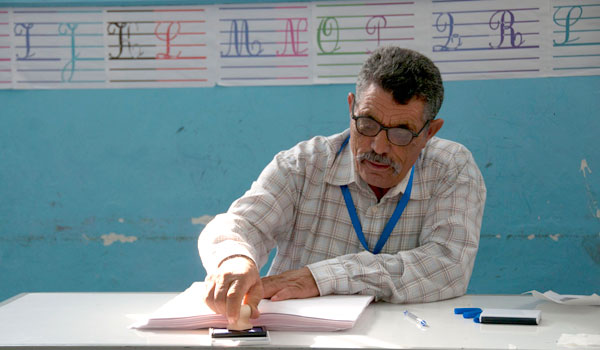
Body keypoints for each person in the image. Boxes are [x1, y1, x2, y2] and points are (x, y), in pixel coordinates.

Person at [198, 46, 486, 325]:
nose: (379, 146)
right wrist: (234, 259)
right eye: (368, 124)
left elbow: (449, 266)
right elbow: (237, 224)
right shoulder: (303, 165)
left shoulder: (451, 168)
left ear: (429, 133)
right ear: (351, 108)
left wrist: (320, 278)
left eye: (400, 133)